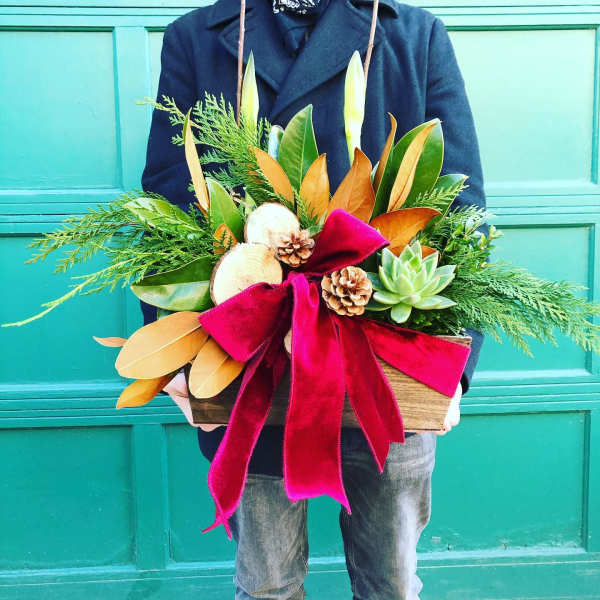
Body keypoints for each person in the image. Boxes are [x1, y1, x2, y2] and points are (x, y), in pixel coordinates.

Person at [141, 0, 486, 598]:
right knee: (266, 586)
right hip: (251, 374)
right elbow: (167, 205)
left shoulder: (414, 35)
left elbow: (462, 208)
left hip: (388, 379)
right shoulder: (197, 37)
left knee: (391, 585)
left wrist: (456, 370)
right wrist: (174, 362)